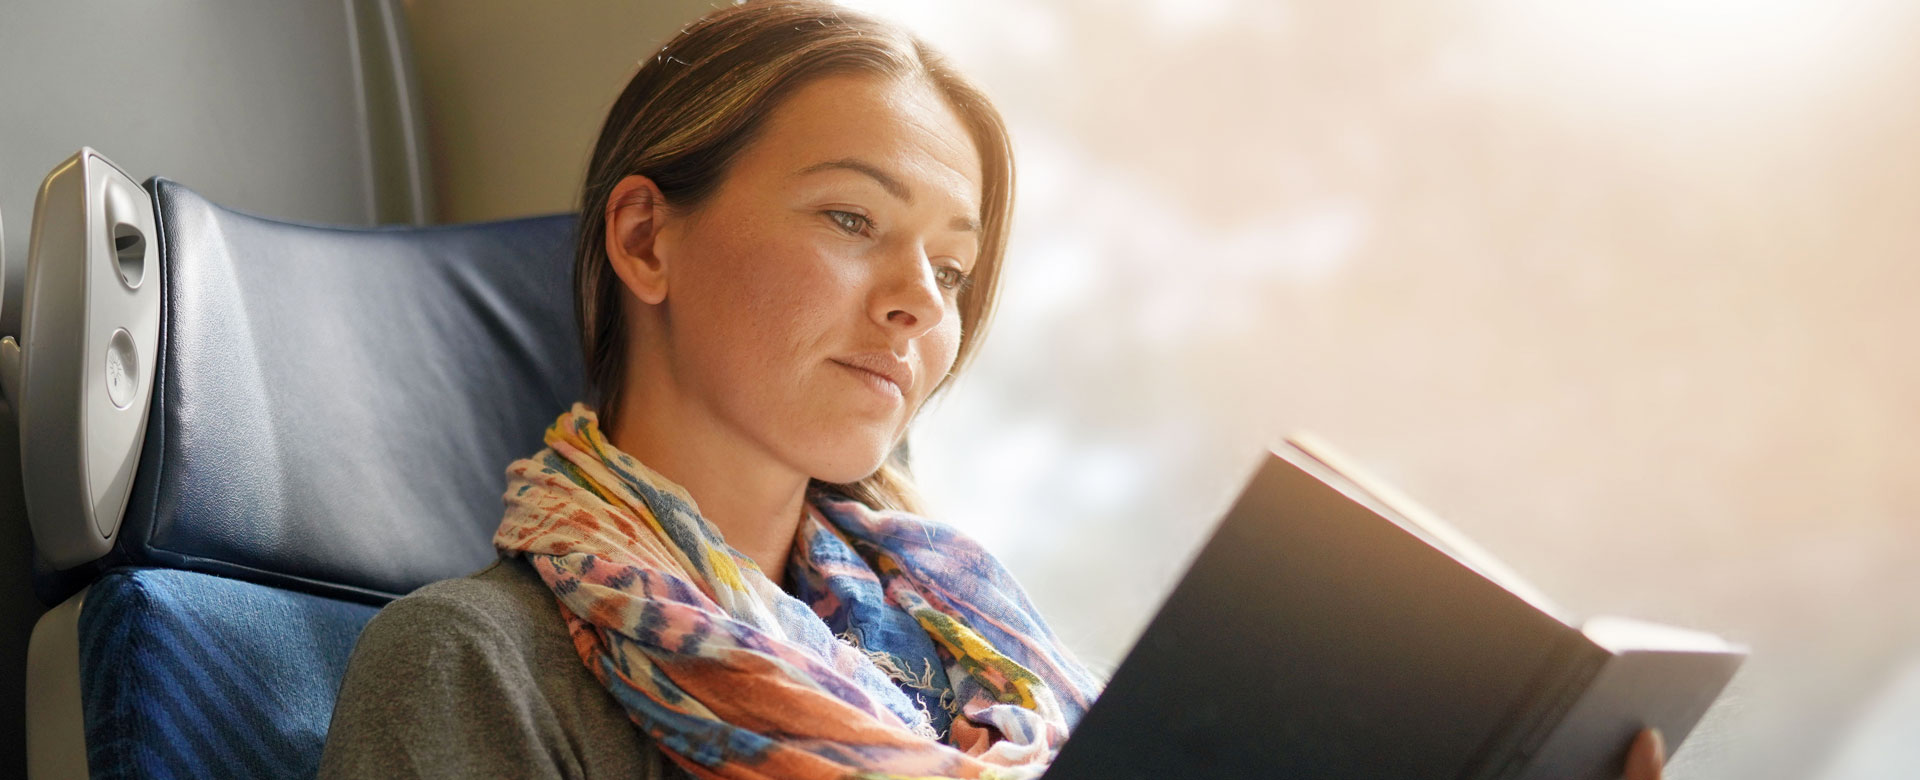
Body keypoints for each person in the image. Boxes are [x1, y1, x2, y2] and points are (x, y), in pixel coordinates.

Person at [318, 2, 1669, 779]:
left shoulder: (975, 672)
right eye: (853, 221)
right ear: (646, 239)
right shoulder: (470, 667)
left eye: (954, 270)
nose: (920, 303)